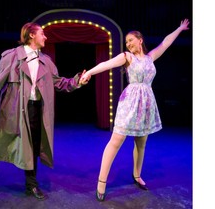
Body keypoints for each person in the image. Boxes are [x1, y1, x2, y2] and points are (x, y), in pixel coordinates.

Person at [0, 22, 87, 200]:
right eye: (42, 34)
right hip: (13, 109)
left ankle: (31, 185)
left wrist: (77, 81)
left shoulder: (46, 61)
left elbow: (59, 83)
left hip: (36, 109)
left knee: (33, 147)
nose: (45, 37)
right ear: (31, 36)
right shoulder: (12, 57)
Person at [80, 19, 190, 201]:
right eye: (127, 42)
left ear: (140, 40)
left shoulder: (150, 57)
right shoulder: (126, 57)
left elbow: (166, 42)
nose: (129, 44)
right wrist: (89, 72)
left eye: (131, 40)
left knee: (141, 142)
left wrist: (179, 28)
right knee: (116, 140)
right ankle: (101, 181)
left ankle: (137, 175)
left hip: (146, 103)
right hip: (130, 101)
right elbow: (106, 64)